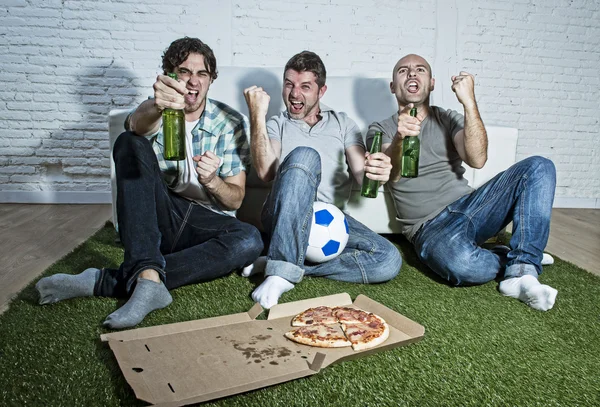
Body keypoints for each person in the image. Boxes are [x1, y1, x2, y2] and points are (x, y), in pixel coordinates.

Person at [36, 37, 263, 328]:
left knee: (249, 240)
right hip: (158, 216)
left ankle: (118, 280)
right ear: (169, 74)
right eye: (184, 71)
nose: (193, 82)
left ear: (210, 79)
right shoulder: (154, 110)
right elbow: (135, 126)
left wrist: (213, 181)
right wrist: (158, 105)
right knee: (129, 142)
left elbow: (235, 200)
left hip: (204, 224)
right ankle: (147, 274)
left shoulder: (230, 122)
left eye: (202, 74)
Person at [367, 54, 557, 311]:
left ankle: (522, 270)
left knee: (539, 166)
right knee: (465, 267)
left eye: (420, 70)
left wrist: (468, 102)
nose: (412, 74)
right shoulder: (380, 128)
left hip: (471, 206)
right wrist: (401, 137)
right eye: (403, 71)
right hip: (430, 228)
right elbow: (393, 174)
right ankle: (518, 254)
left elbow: (477, 160)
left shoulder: (447, 118)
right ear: (392, 86)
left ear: (431, 83)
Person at [242, 51, 402, 309]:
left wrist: (379, 170)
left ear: (321, 90)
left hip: (332, 221)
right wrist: (256, 116)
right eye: (289, 84)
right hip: (285, 214)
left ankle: (284, 262)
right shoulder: (276, 123)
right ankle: (280, 272)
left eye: (305, 86)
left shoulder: (343, 124)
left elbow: (363, 177)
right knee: (305, 156)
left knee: (388, 259)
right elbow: (265, 172)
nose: (294, 94)